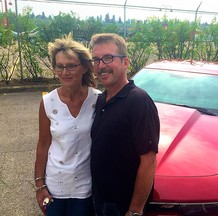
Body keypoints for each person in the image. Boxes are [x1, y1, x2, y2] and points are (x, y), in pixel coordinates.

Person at [90, 33, 160, 216]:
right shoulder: (101, 100)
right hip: (100, 198)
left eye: (108, 58)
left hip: (122, 206)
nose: (101, 65)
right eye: (96, 60)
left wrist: (135, 210)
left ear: (125, 62)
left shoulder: (138, 101)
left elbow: (148, 161)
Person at [34, 33, 101, 216]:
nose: (65, 72)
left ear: (85, 68)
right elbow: (43, 145)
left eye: (71, 66)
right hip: (56, 184)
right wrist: (40, 185)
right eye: (60, 66)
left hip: (85, 185)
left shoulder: (97, 100)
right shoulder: (48, 102)